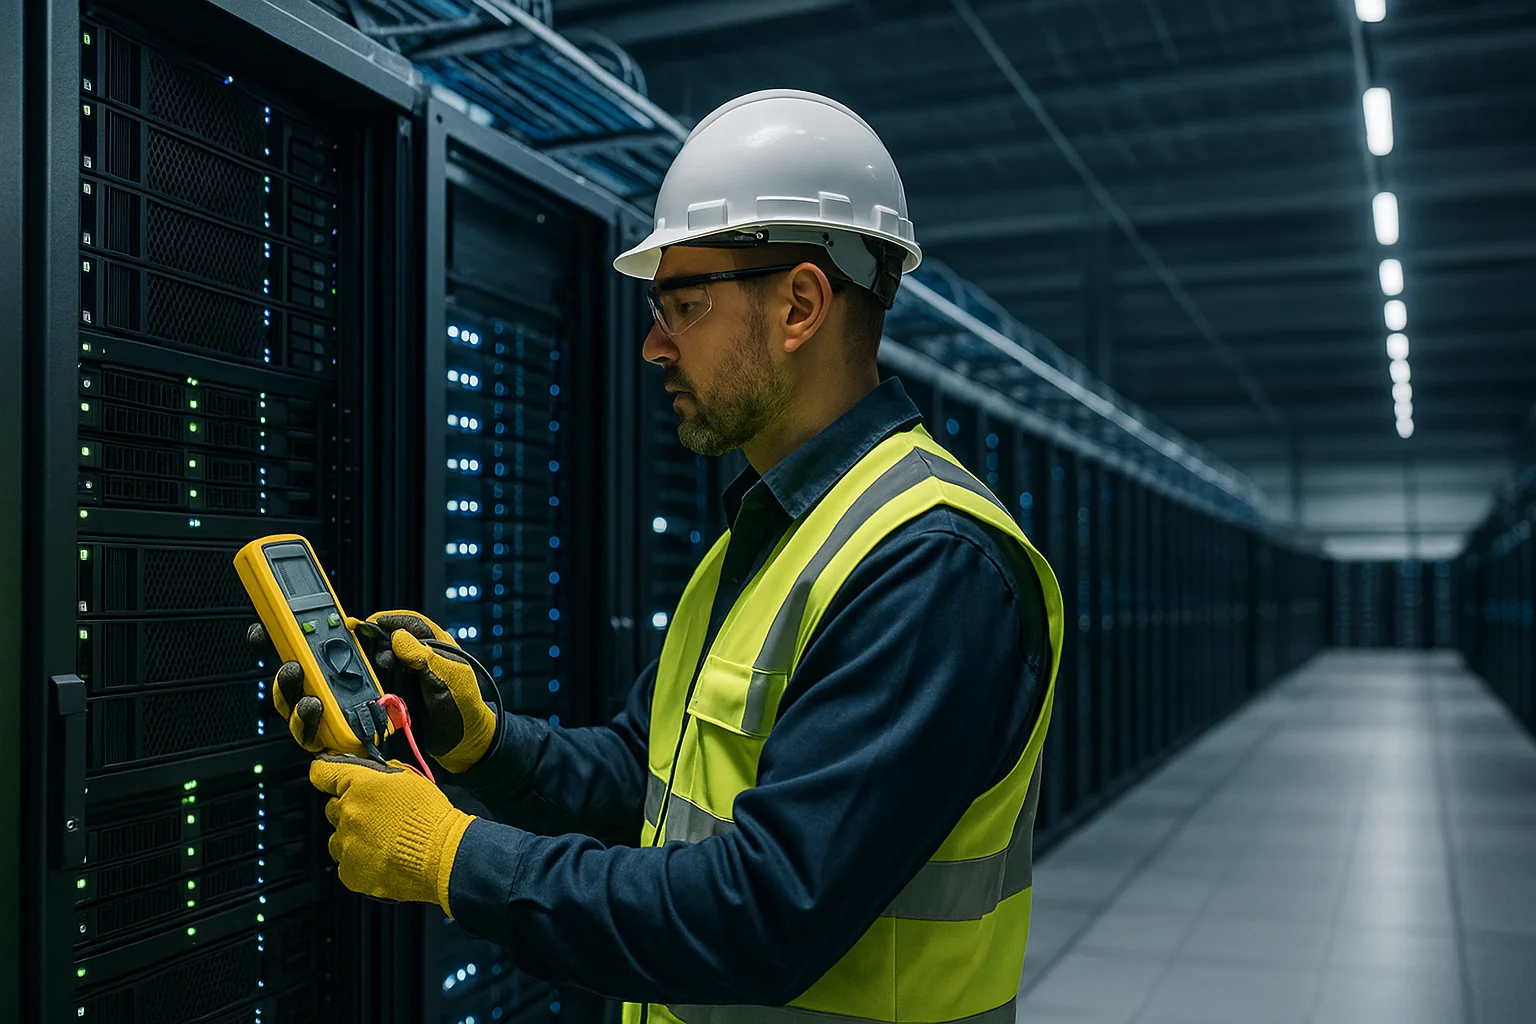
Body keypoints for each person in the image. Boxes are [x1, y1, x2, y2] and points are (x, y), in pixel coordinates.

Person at [260, 89, 1063, 1024]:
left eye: (683, 304)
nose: (651, 345)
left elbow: (764, 913)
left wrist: (454, 858)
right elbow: (643, 775)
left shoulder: (930, 565)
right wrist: (481, 741)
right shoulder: (768, 540)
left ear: (801, 304)